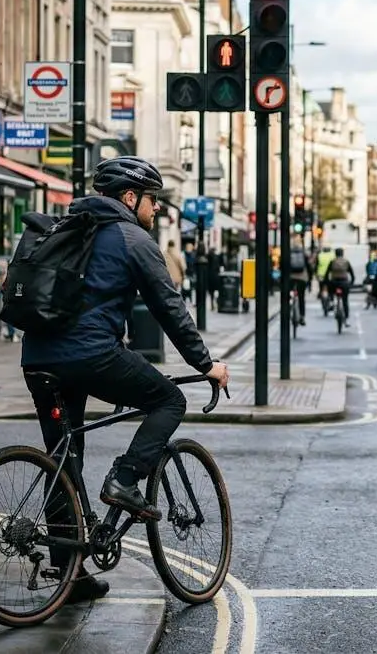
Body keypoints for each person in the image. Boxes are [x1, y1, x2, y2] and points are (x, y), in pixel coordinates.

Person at [20, 156, 230, 602]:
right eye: (152, 198)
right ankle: (125, 479)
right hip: (90, 355)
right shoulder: (132, 238)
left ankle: (70, 574)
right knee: (169, 400)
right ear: (130, 197)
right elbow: (169, 308)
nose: (157, 208)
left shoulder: (69, 226)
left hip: (37, 357)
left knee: (63, 458)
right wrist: (205, 364)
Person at [324, 247, 356, 325]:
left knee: (330, 291)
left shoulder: (332, 261)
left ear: (335, 254)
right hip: (344, 283)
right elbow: (352, 274)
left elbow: (327, 274)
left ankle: (331, 302)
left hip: (334, 282)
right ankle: (346, 317)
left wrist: (327, 282)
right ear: (342, 254)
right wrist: (351, 283)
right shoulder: (346, 262)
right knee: (345, 300)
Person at [286, 234, 310, 324]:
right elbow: (308, 267)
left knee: (287, 295)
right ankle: (302, 317)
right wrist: (309, 279)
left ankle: (288, 311)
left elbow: (283, 265)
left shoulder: (288, 252)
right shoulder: (304, 253)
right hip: (301, 278)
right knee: (301, 297)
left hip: (290, 278)